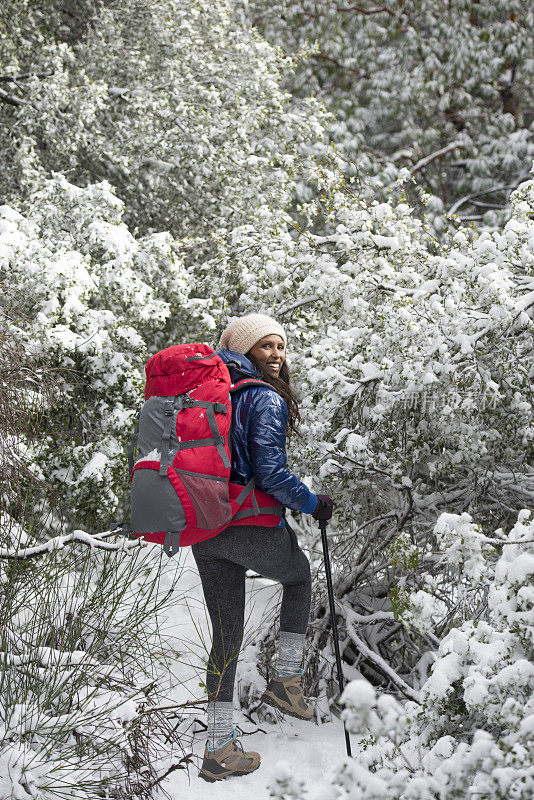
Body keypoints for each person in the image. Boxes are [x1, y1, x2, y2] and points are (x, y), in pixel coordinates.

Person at [195, 313, 334, 782]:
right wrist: (313, 503)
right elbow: (271, 473)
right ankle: (286, 682)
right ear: (245, 350)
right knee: (298, 576)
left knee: (226, 635)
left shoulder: (205, 394)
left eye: (280, 346)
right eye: (266, 346)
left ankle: (218, 750)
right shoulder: (261, 398)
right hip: (246, 523)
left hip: (203, 528)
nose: (276, 355)